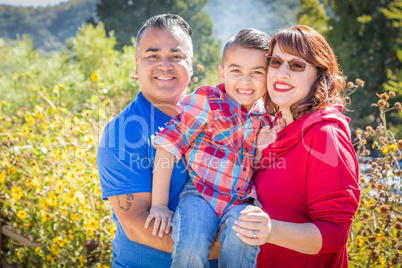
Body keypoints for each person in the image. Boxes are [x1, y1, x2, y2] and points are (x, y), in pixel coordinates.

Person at [96, 14, 219, 267]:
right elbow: (137, 226)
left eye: (176, 56)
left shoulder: (215, 115)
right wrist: (229, 246)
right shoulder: (122, 133)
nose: (165, 65)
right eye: (152, 56)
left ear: (191, 63)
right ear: (136, 65)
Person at [145, 28, 276, 267]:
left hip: (239, 200)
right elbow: (167, 146)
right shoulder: (208, 101)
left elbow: (259, 163)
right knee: (190, 246)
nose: (245, 81)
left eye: (257, 73)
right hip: (200, 194)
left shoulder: (265, 115)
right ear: (222, 72)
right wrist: (159, 205)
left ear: (269, 76)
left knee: (246, 236)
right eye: (236, 71)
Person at [233, 25, 361, 267]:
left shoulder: (324, 135)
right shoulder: (264, 128)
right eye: (275, 62)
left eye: (296, 65)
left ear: (319, 75)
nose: (281, 73)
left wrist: (271, 231)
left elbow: (335, 233)